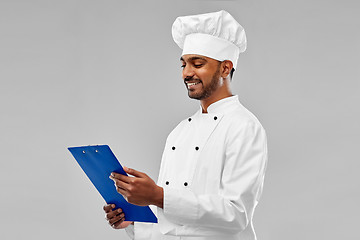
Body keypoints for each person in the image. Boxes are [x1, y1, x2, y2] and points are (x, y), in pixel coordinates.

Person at [103, 10, 268, 240]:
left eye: (197, 64)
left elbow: (236, 214)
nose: (187, 73)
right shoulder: (179, 133)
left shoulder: (244, 127)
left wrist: (158, 196)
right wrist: (133, 220)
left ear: (225, 68)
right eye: (183, 65)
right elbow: (173, 222)